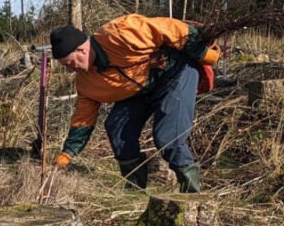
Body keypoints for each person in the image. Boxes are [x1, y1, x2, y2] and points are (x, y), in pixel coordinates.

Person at [50, 14, 220, 192]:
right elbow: (82, 119)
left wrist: (205, 54)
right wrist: (67, 154)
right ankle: (134, 188)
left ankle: (191, 194)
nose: (70, 70)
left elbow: (174, 29)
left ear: (82, 50)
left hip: (175, 73)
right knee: (117, 126)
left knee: (169, 136)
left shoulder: (120, 33)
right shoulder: (86, 81)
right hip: (141, 91)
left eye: (69, 63)